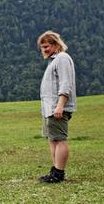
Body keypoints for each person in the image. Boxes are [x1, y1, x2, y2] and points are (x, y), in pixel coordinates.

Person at [37, 30, 77, 183]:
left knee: (60, 139)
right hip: (50, 108)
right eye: (42, 47)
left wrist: (60, 105)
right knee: (53, 139)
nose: (44, 50)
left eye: (46, 46)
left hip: (57, 107)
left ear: (55, 44)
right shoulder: (54, 60)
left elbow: (65, 83)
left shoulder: (62, 58)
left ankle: (58, 173)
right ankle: (55, 171)